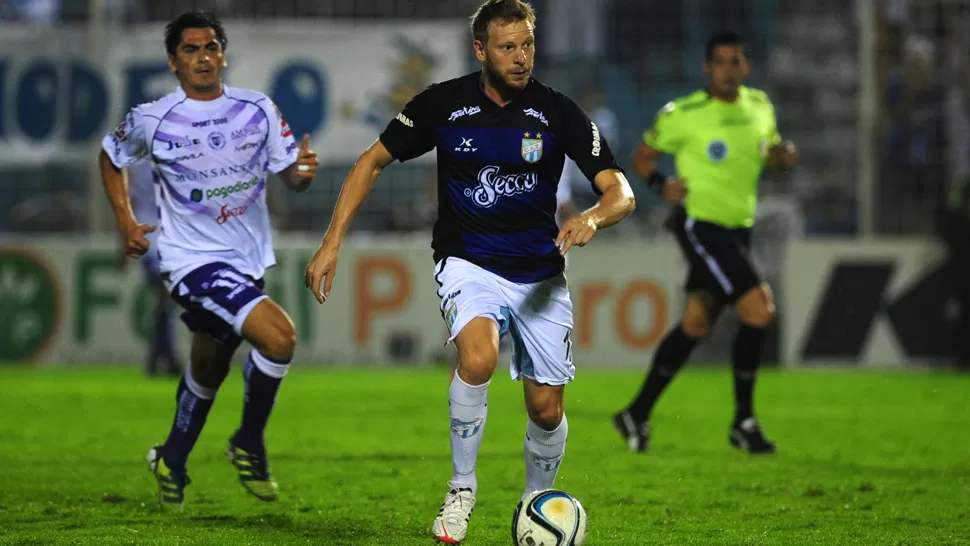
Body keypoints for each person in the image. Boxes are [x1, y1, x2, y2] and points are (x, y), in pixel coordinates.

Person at [303, 1, 635, 542]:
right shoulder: (443, 105)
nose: (521, 57)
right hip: (468, 260)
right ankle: (462, 488)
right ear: (481, 49)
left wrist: (594, 217)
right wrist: (332, 241)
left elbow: (620, 190)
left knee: (546, 408)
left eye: (527, 44)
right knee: (477, 357)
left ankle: (537, 499)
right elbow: (371, 162)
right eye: (508, 47)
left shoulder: (556, 111)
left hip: (540, 271)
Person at [98, 10, 318, 510]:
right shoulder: (152, 117)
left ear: (223, 54)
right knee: (279, 337)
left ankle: (172, 457)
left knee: (209, 366)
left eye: (211, 47)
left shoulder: (257, 108)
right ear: (174, 61)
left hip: (247, 260)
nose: (204, 57)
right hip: (189, 261)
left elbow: (291, 175)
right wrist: (126, 221)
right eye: (192, 49)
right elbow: (111, 156)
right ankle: (249, 442)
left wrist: (303, 173)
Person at [613, 31, 797, 455]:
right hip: (701, 225)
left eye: (736, 62)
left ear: (746, 67)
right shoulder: (685, 113)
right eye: (720, 62)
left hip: (739, 228)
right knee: (759, 308)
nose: (728, 70)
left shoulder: (760, 106)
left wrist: (780, 157)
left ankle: (635, 413)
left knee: (696, 322)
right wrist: (662, 183)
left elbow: (766, 152)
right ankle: (743, 422)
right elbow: (642, 156)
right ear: (706, 68)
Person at [127, 159, 182, 377]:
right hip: (156, 237)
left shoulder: (136, 162)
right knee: (165, 297)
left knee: (164, 299)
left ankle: (158, 358)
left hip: (156, 237)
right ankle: (166, 359)